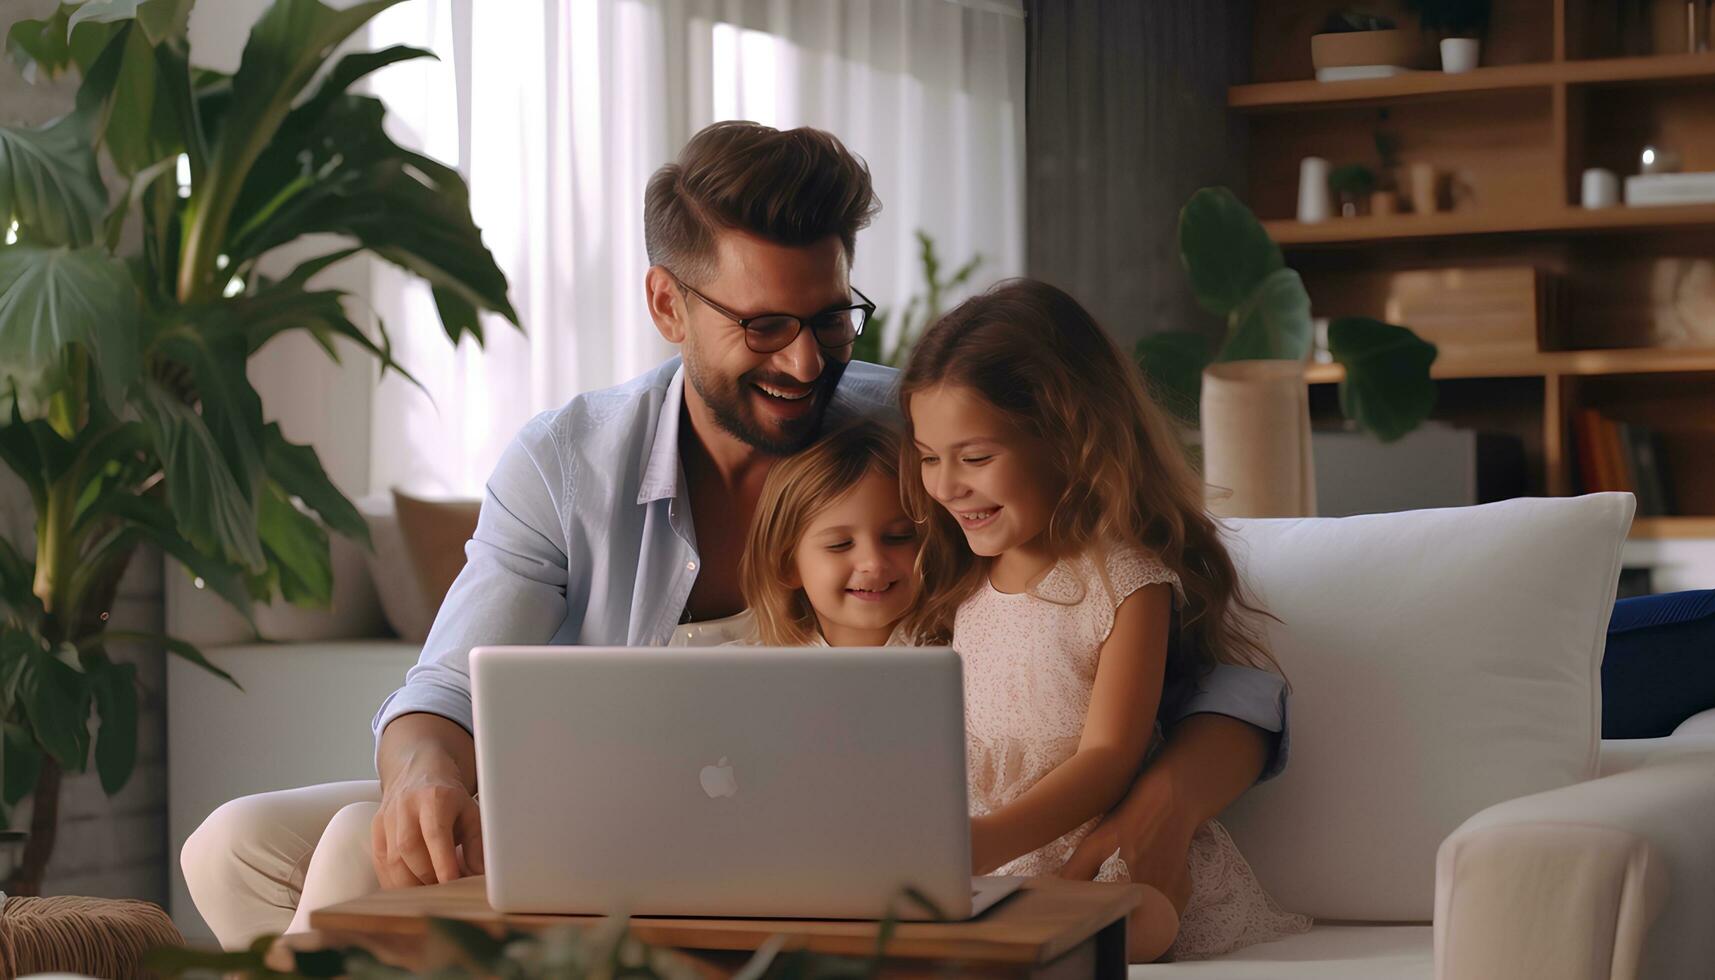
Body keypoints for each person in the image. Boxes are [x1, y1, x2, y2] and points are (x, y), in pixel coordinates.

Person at [180, 122, 1291, 951]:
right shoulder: (567, 461)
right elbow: (444, 689)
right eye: (763, 325)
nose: (808, 364)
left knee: (335, 869)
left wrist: (1161, 803)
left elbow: (1218, 666)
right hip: (596, 826)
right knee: (234, 844)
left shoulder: (927, 435)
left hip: (798, 844)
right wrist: (424, 769)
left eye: (830, 318)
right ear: (668, 305)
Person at [902, 279, 1309, 961]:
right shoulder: (958, 586)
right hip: (985, 855)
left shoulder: (1122, 581)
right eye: (925, 459)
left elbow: (1108, 756)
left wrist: (993, 837)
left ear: (1068, 438)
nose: (944, 486)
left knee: (1131, 912)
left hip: (1086, 844)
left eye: (974, 458)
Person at [737, 420, 944, 648]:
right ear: (787, 565)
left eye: (898, 537)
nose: (873, 563)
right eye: (840, 544)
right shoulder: (748, 671)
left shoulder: (962, 651)